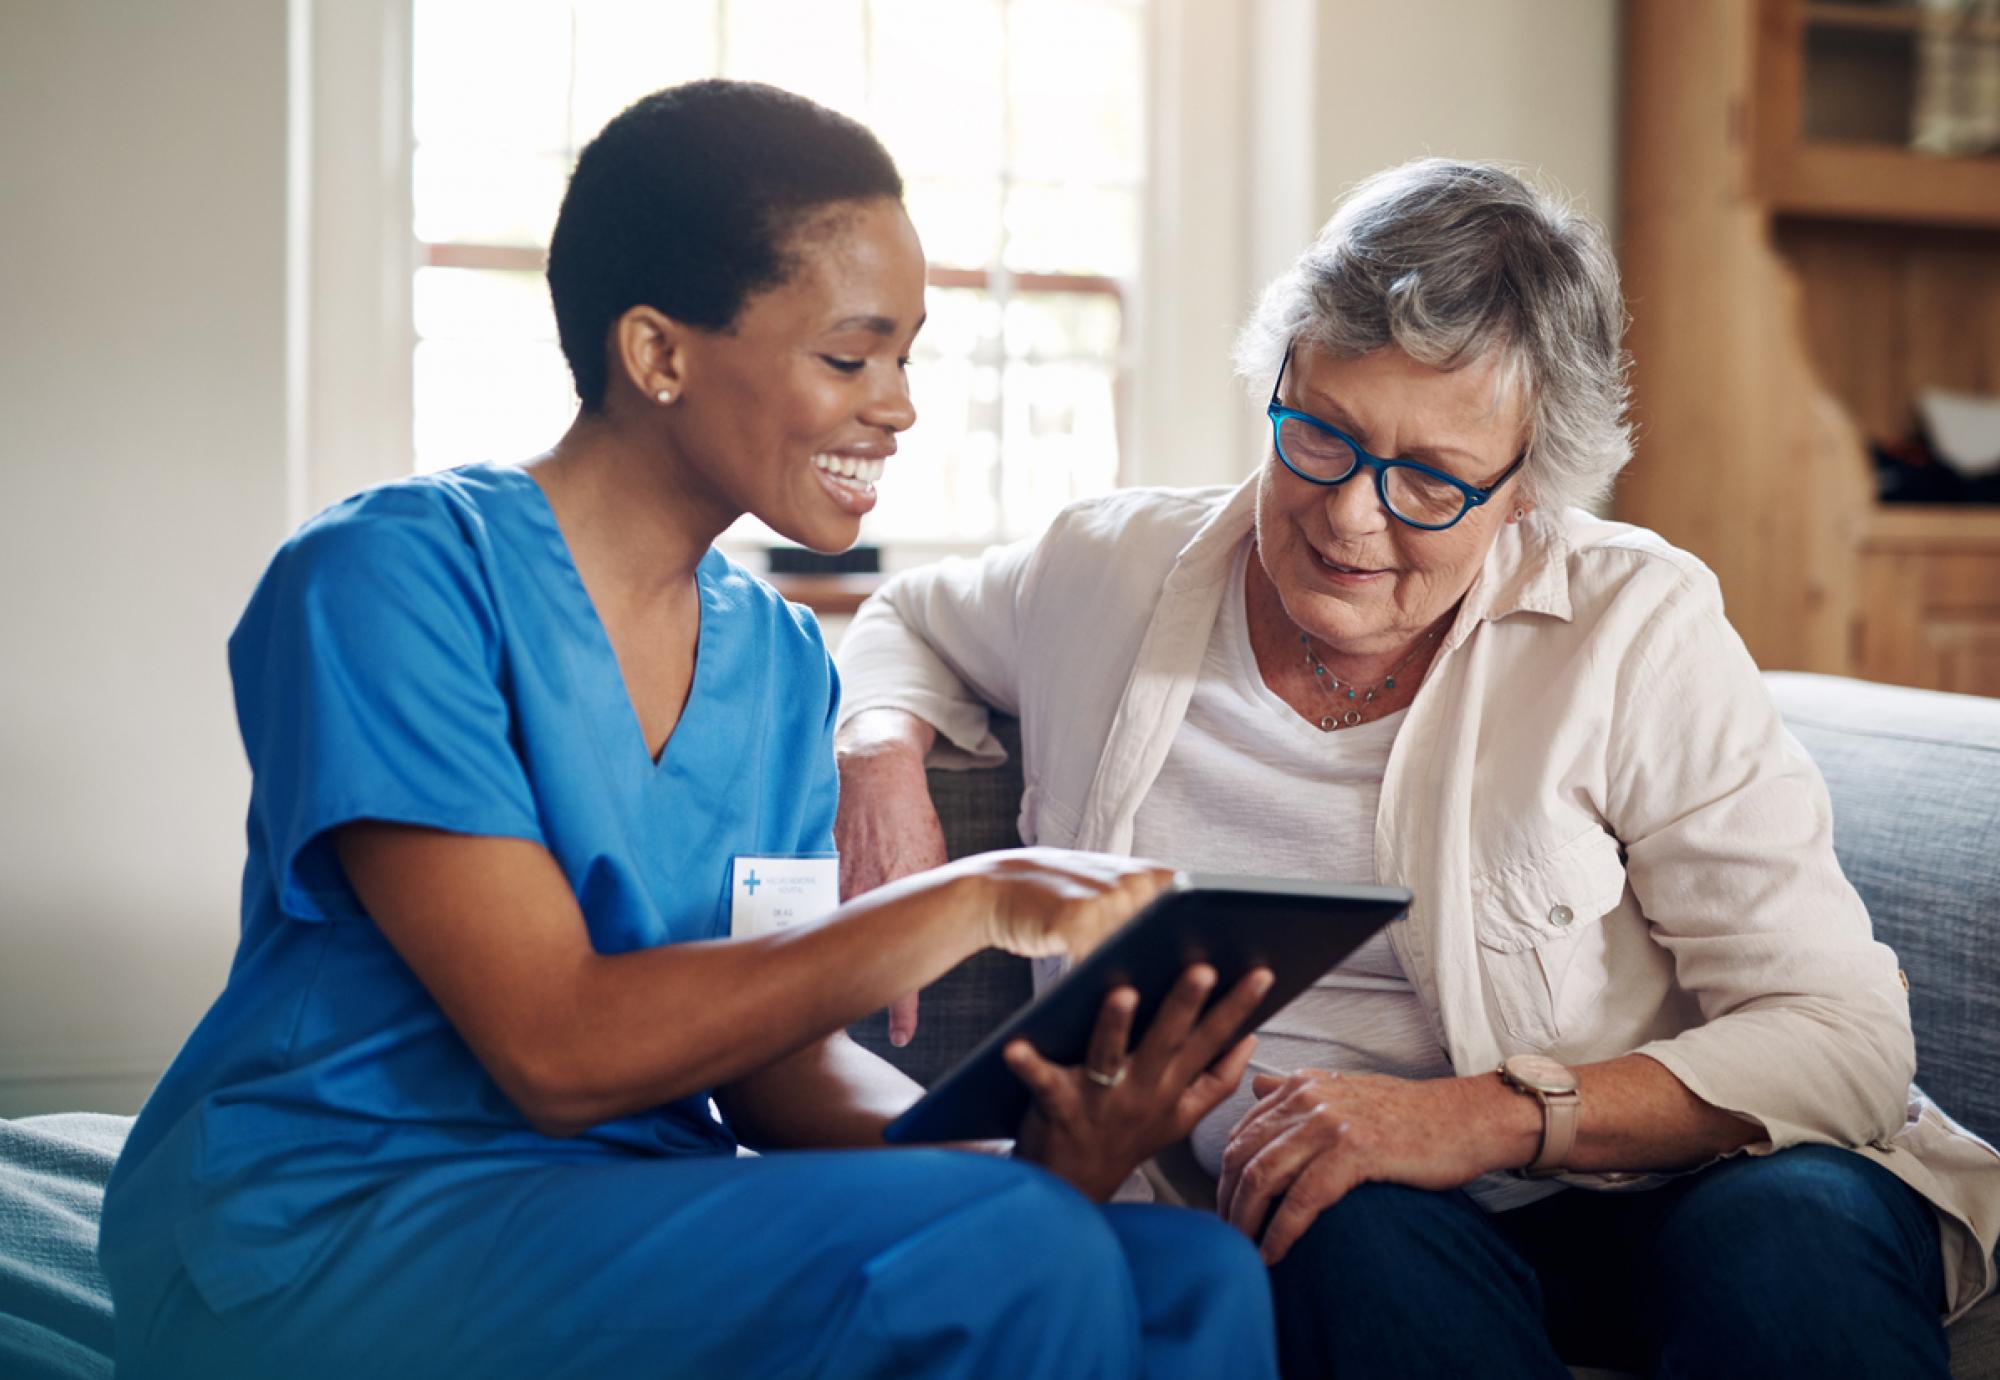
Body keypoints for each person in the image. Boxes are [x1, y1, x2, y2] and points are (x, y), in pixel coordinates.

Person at [97, 80, 1281, 1380]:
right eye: (848, 355)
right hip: (335, 1224)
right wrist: (975, 901)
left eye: (906, 355)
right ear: (657, 354)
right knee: (1016, 1244)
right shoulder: (389, 582)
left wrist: (1021, 1158)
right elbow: (555, 1047)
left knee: (1185, 1274)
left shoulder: (776, 659)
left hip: (629, 1211)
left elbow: (778, 1076)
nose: (897, 406)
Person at [833, 158, 2000, 1378]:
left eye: (1431, 481)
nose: (1348, 517)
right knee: (1330, 1218)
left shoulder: (1635, 626)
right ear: (1277, 381)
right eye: (1320, 436)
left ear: (1526, 492)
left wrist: (1478, 1116)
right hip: (1363, 1215)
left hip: (1685, 1182)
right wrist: (880, 760)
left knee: (1782, 1237)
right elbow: (904, 620)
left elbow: (1843, 1038)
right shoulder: (1108, 570)